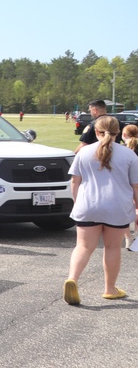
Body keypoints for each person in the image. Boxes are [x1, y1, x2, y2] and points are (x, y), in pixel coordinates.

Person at [63, 116, 138, 305]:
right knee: (112, 247)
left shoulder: (84, 152)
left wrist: (77, 202)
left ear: (96, 132)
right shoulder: (129, 155)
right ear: (119, 133)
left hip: (87, 205)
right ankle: (110, 289)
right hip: (117, 207)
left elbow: (75, 181)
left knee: (83, 246)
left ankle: (72, 279)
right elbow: (135, 186)